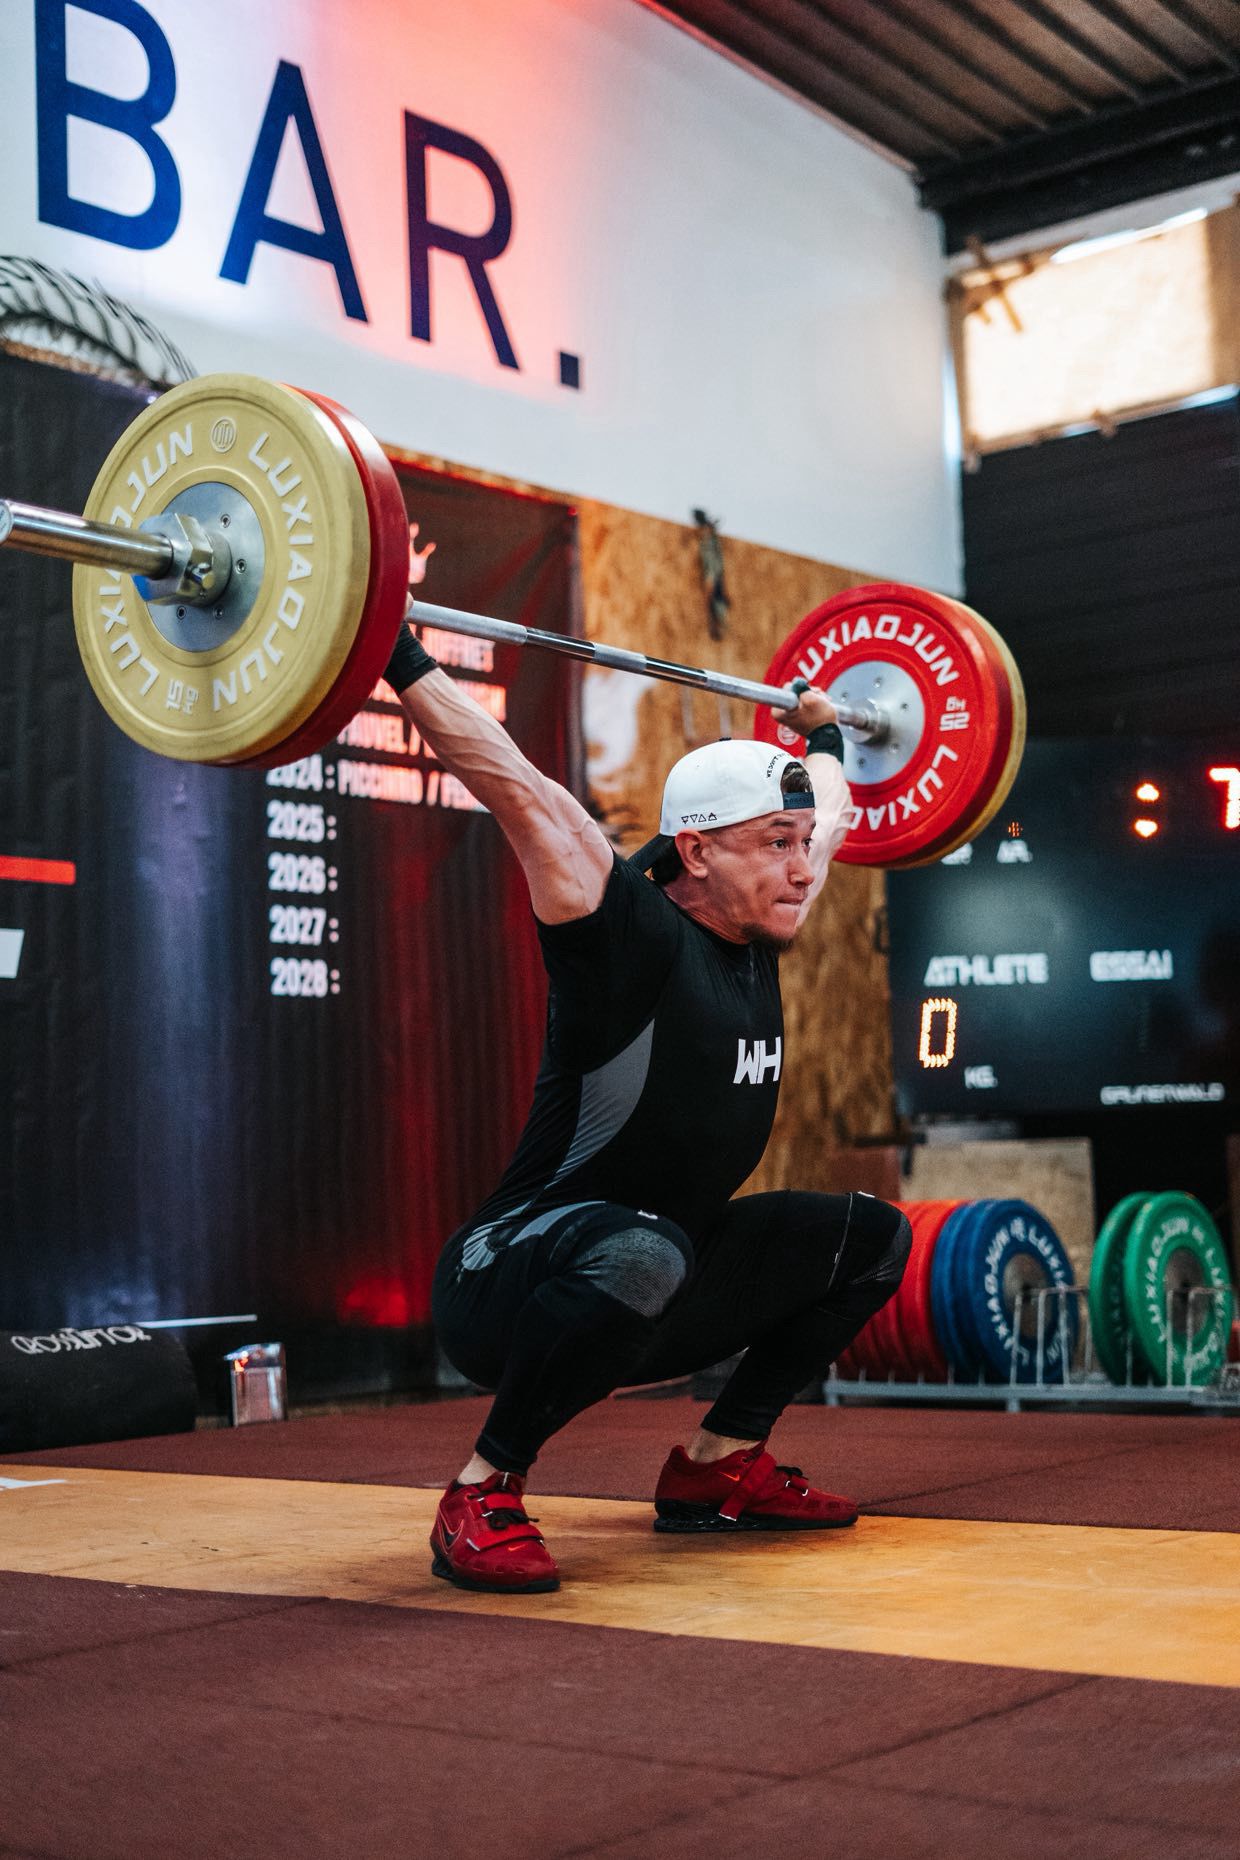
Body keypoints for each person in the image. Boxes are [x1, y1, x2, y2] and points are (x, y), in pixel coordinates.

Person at [385, 619, 911, 1594]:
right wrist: (393, 650)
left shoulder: (762, 913)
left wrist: (826, 738)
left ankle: (718, 1465)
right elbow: (515, 785)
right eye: (776, 845)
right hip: (509, 1279)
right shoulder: (622, 930)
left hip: (660, 1272)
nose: (804, 869)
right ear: (696, 851)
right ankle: (481, 1489)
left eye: (801, 845)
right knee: (644, 1248)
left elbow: (830, 815)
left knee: (872, 1238)